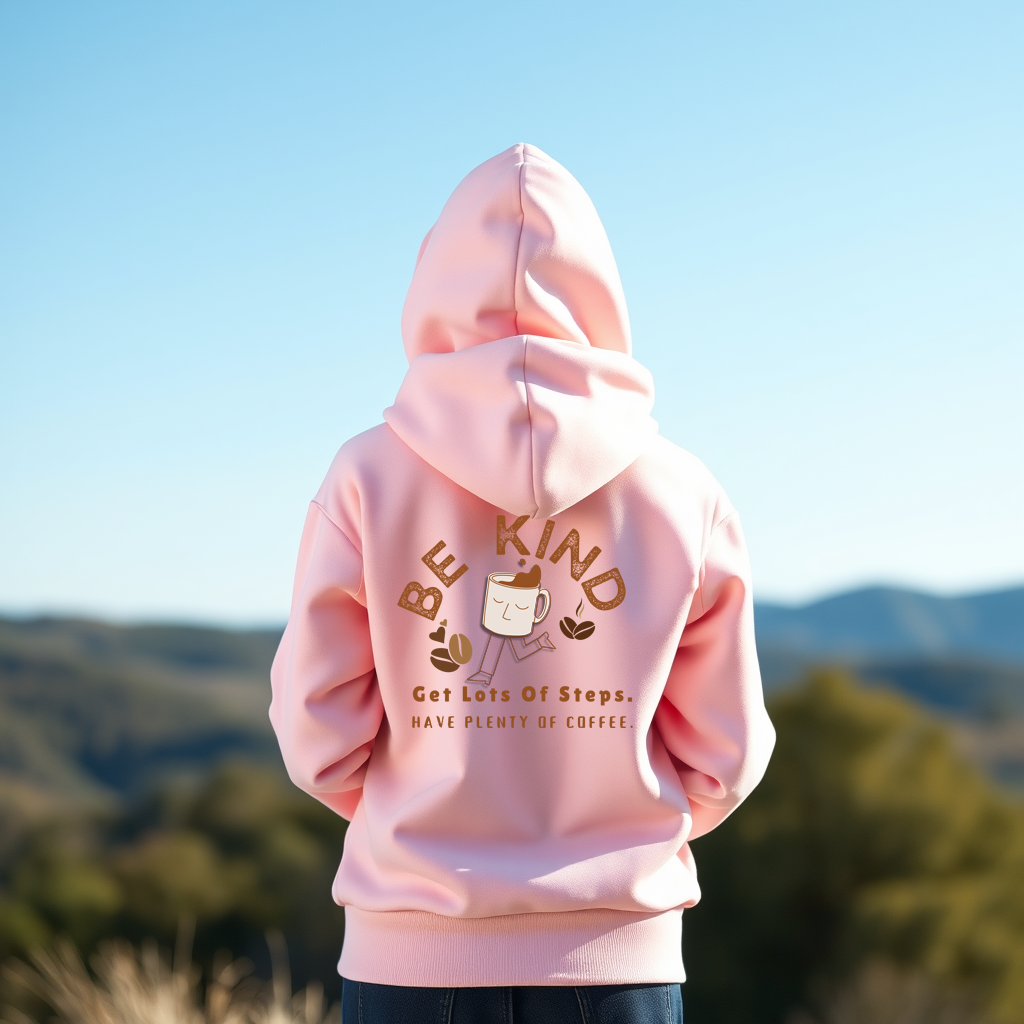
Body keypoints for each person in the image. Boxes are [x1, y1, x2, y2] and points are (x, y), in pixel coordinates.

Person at [270, 143, 776, 1024]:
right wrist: (608, 843)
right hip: (621, 963)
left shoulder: (365, 477)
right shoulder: (684, 490)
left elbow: (314, 731)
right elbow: (724, 757)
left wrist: (421, 806)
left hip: (408, 961)